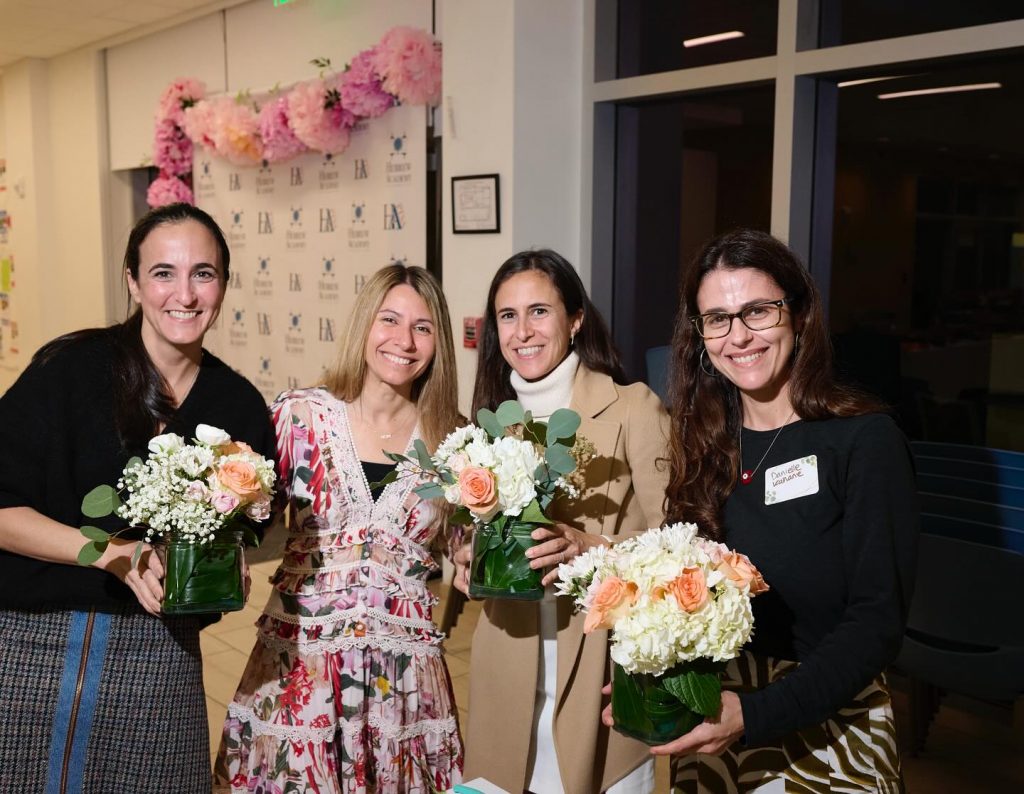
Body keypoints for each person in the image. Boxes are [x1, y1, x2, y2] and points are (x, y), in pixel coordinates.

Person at [0, 202, 275, 792]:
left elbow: (241, 536)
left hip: (159, 659)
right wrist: (113, 553)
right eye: (163, 273)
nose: (186, 294)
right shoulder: (71, 371)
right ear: (132, 280)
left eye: (204, 273)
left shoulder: (239, 407)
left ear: (224, 284)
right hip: (31, 645)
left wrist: (223, 567)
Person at [652, 229, 917, 791]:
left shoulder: (864, 441)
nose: (738, 336)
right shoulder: (704, 444)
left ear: (798, 315)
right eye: (717, 319)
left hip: (830, 726)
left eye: (757, 311)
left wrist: (756, 714)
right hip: (714, 719)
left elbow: (877, 622)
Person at [216, 265, 464, 793]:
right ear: (364, 324)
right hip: (303, 667)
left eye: (422, 327)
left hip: (401, 681)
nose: (404, 340)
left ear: (438, 342)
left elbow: (468, 552)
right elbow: (247, 521)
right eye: (389, 319)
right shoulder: (300, 417)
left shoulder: (454, 440)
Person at [455, 249, 670, 793]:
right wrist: (465, 556)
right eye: (508, 316)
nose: (522, 331)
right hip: (507, 665)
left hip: (600, 669)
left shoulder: (633, 407)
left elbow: (682, 546)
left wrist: (592, 546)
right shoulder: (490, 419)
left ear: (575, 320)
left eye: (539, 311)